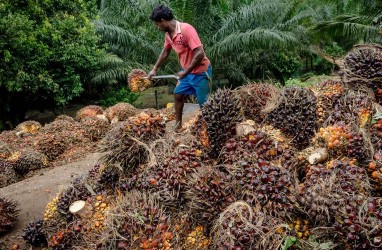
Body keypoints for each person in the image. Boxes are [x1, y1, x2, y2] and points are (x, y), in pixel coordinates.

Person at [147, 5, 212, 133]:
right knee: (178, 94)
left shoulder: (186, 29)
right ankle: (178, 126)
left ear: (162, 21)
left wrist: (185, 72)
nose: (157, 27)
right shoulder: (168, 34)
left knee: (204, 104)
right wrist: (154, 69)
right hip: (187, 73)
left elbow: (199, 53)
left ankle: (209, 130)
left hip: (200, 72)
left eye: (157, 24)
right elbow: (165, 52)